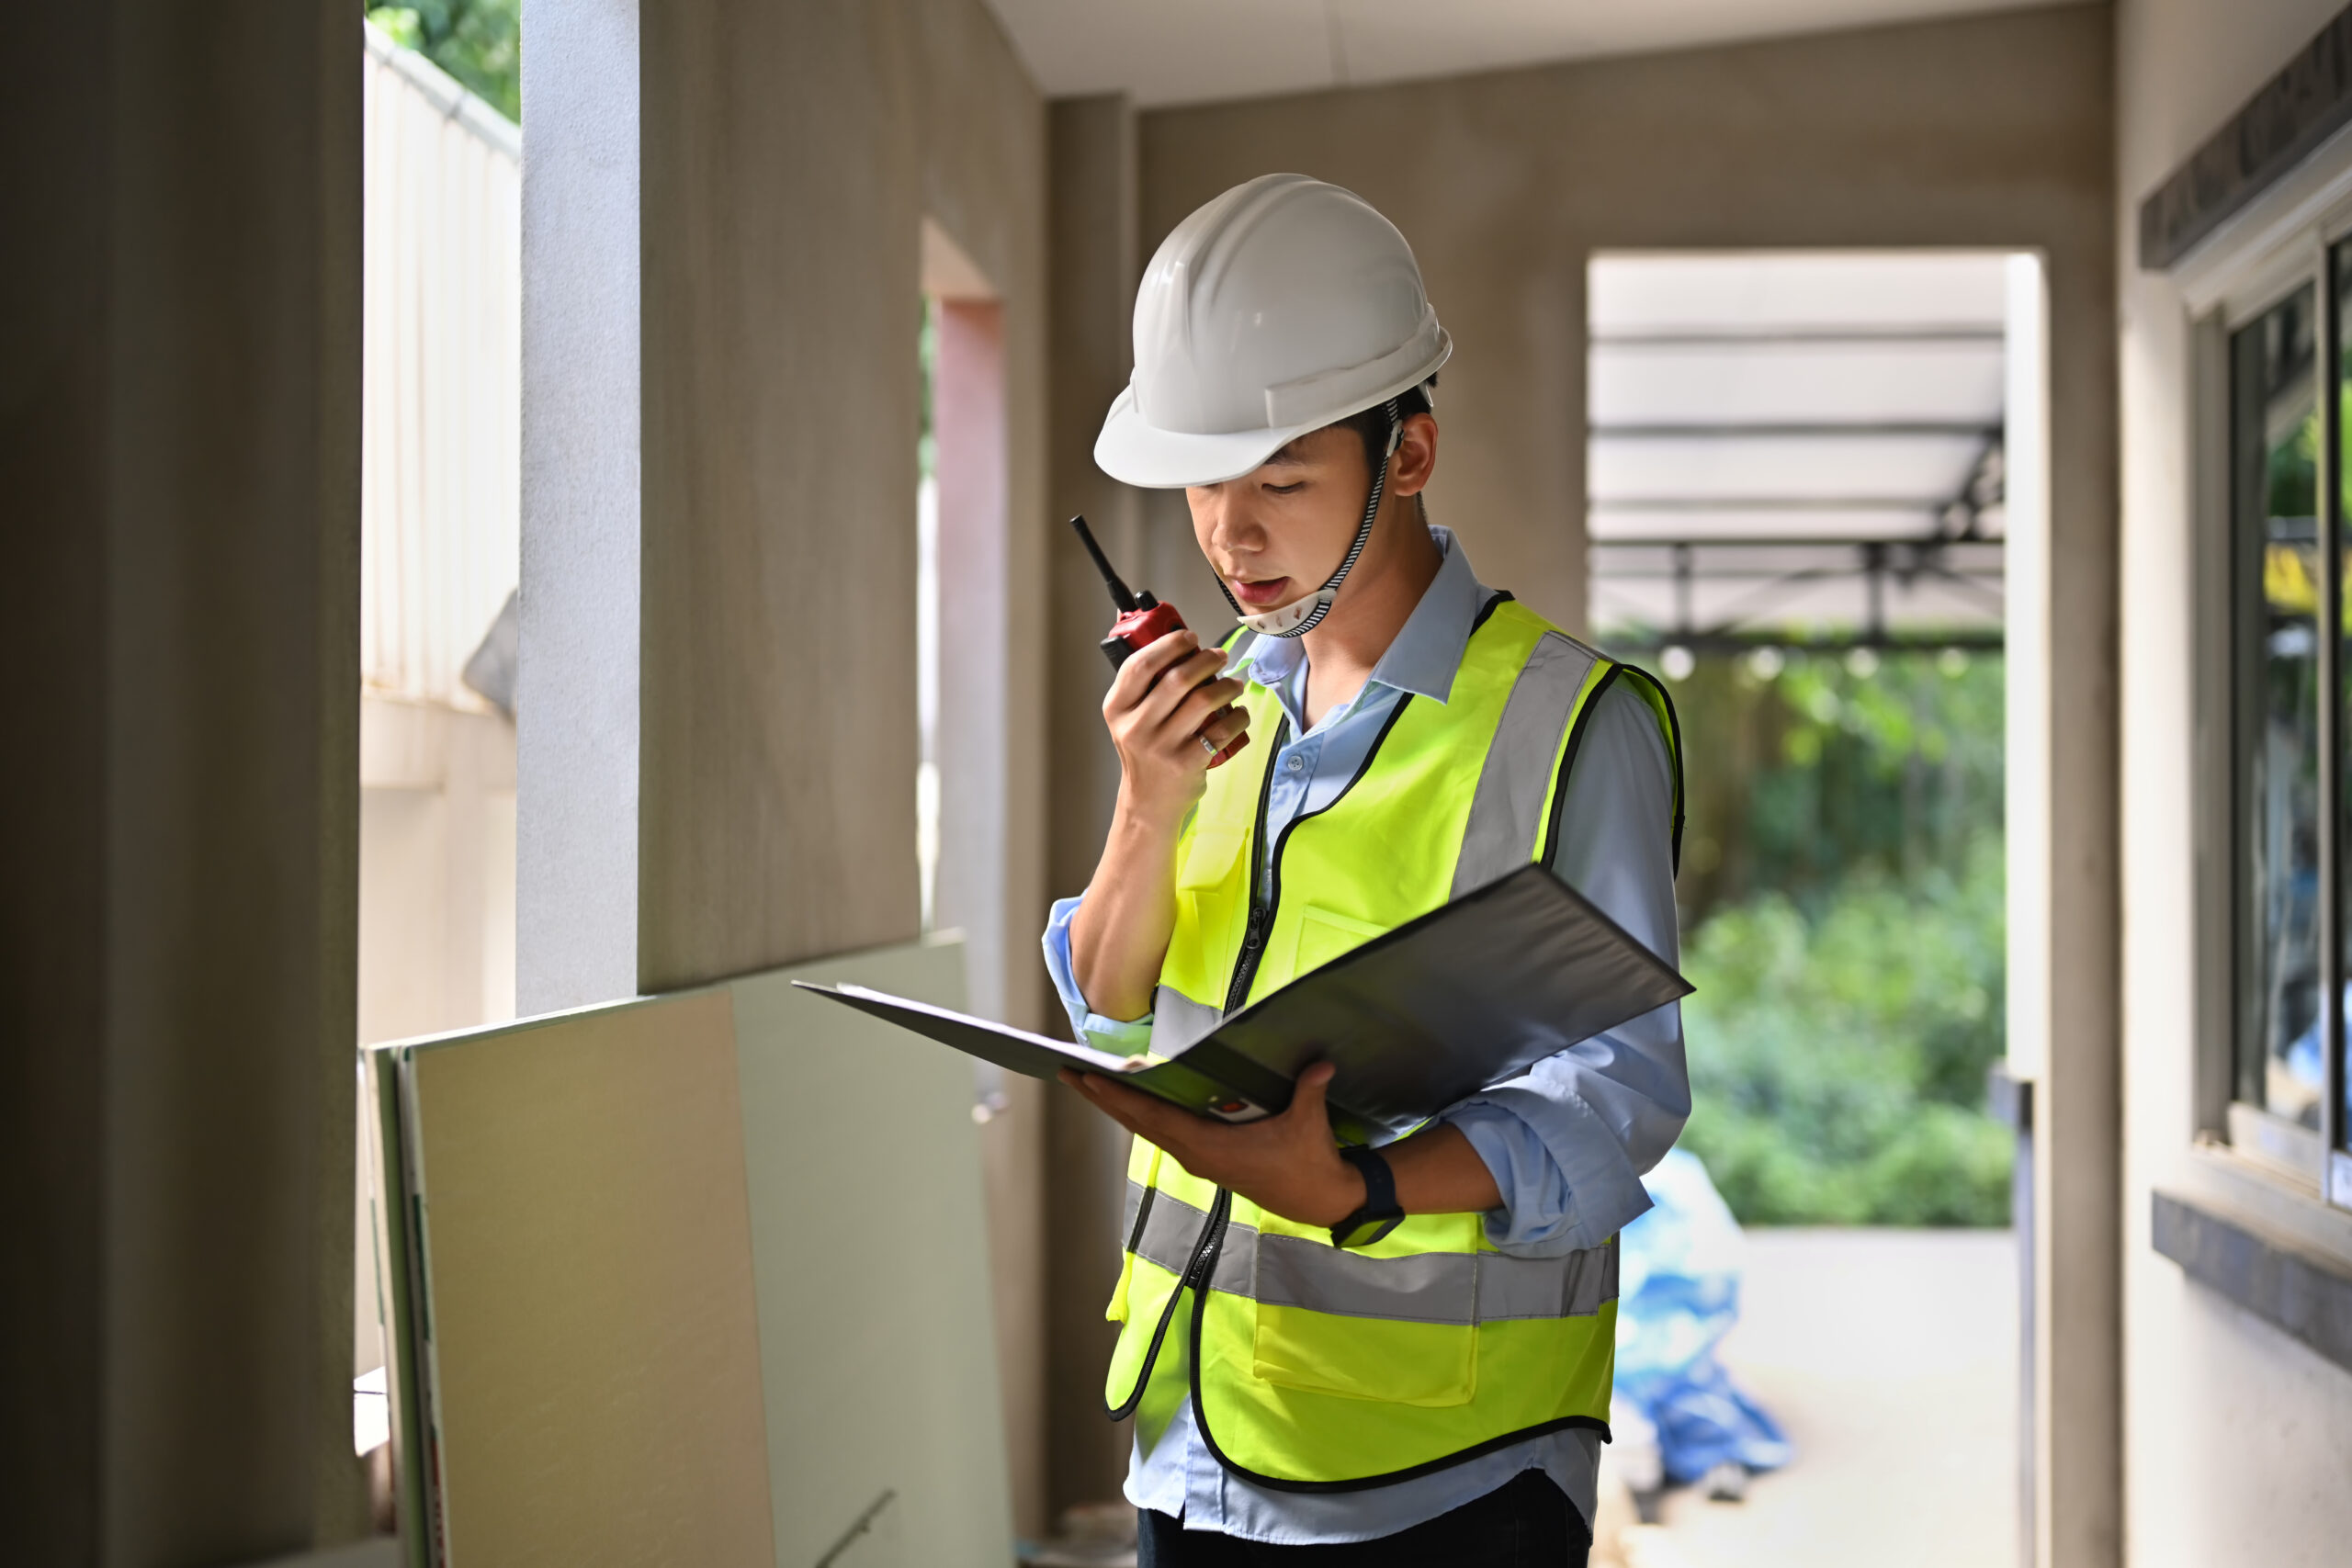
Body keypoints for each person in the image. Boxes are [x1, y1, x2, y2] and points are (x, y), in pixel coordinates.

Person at [1043, 173, 1689, 1567]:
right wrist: (1148, 808)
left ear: (1409, 453)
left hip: (1444, 1475)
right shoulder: (1217, 708)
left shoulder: (1573, 722)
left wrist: (1363, 1190)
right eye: (1208, 479)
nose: (1233, 534)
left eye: (1282, 478)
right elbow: (1107, 1004)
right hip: (1193, 1432)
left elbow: (1619, 1099)